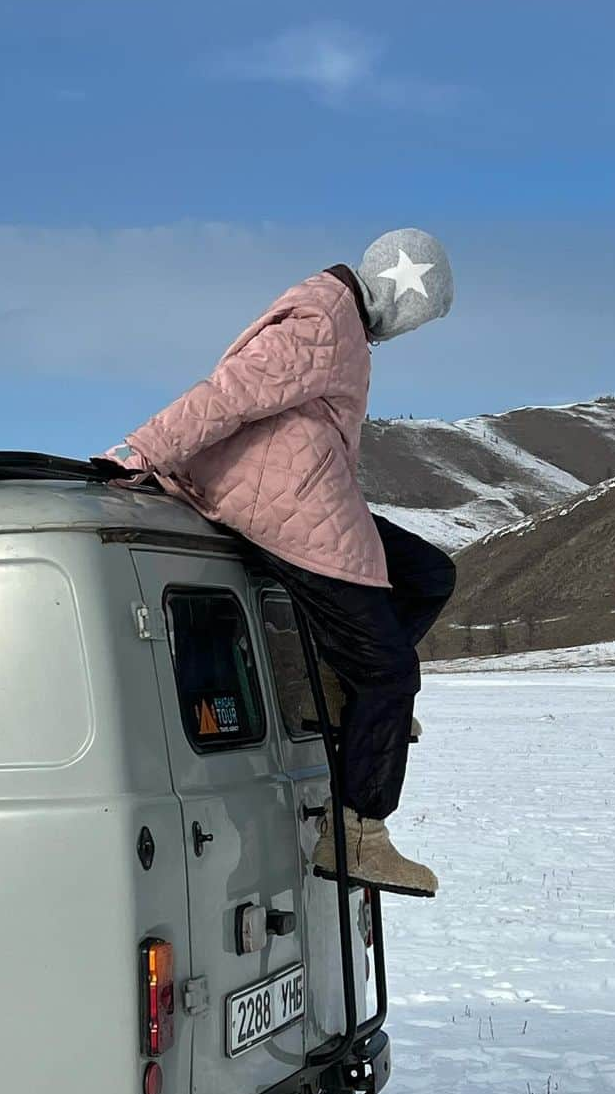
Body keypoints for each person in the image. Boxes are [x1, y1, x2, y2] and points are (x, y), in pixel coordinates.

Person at [99, 228, 457, 897]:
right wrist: (143, 451)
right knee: (390, 672)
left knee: (430, 575)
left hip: (308, 499)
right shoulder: (324, 321)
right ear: (407, 296)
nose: (414, 329)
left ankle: (335, 689)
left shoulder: (341, 322)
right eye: (423, 315)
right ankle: (355, 835)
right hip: (283, 509)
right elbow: (229, 394)